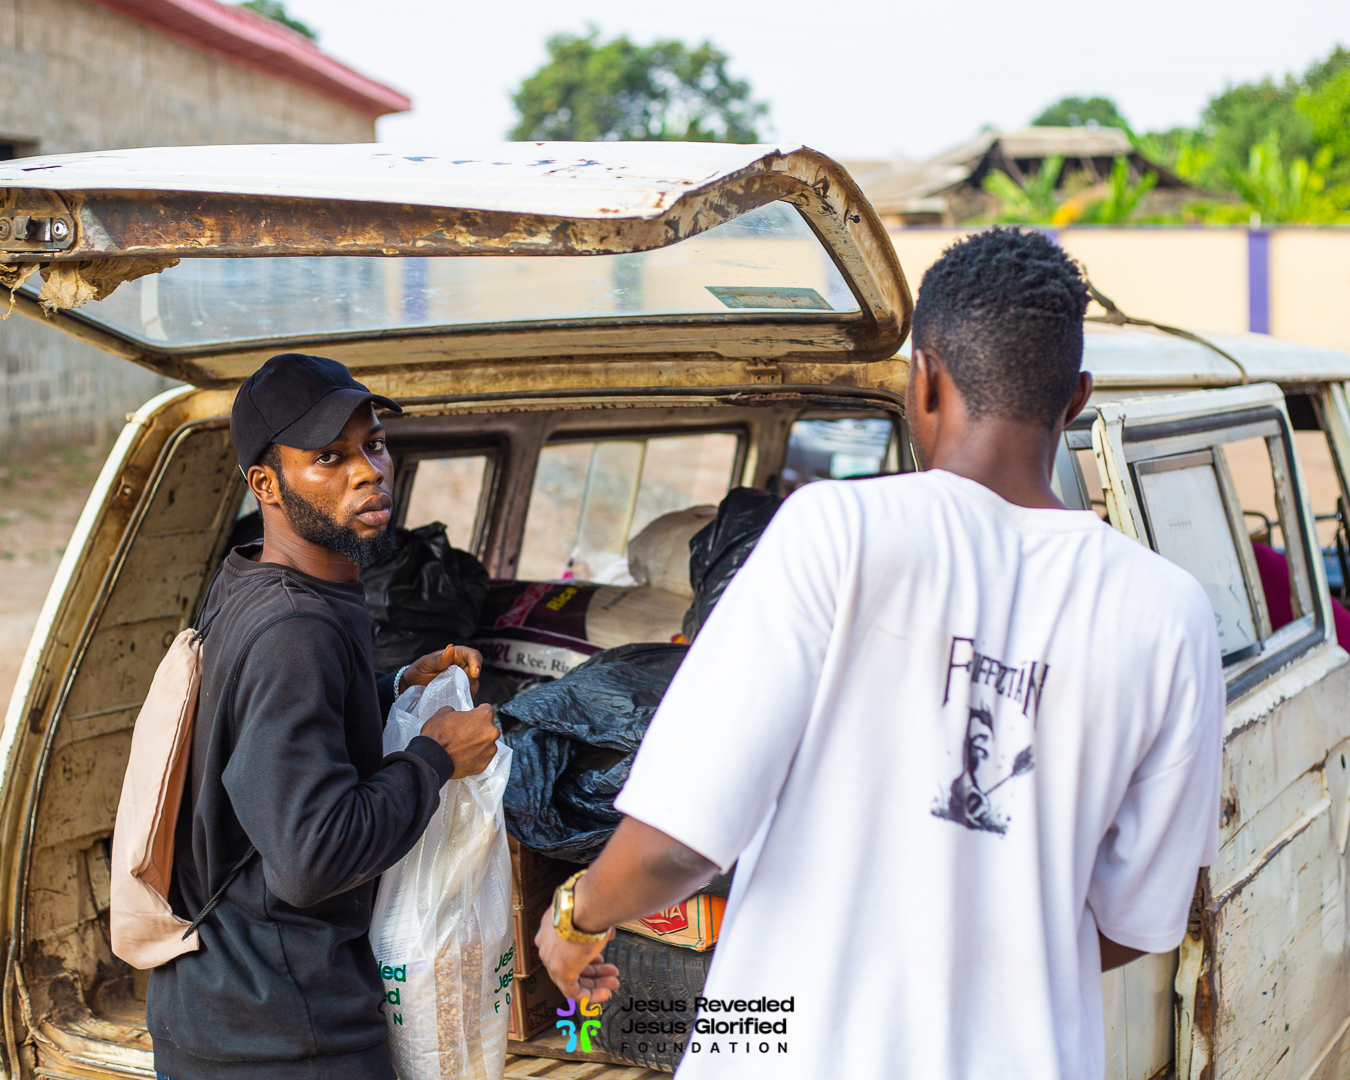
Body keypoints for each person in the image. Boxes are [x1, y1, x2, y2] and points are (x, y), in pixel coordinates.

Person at [535, 229, 1225, 1079]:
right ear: (1076, 397)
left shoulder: (837, 531)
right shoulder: (1170, 614)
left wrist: (575, 916)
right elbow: (1138, 922)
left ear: (921, 380)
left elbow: (679, 843)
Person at [147, 353, 500, 1080]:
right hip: (281, 1037)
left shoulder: (257, 579)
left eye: (374, 444)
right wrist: (434, 758)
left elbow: (268, 736)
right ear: (265, 484)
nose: (368, 471)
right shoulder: (295, 630)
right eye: (329, 457)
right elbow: (312, 859)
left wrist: (393, 687)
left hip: (226, 1005)